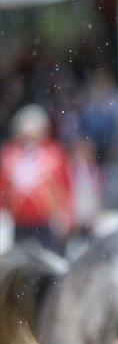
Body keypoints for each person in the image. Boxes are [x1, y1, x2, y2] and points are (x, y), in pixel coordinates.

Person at [0, 104, 74, 253]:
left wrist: (67, 215)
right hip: (19, 222)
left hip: (46, 222)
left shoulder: (55, 154)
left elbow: (66, 187)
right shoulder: (9, 155)